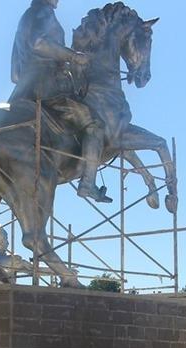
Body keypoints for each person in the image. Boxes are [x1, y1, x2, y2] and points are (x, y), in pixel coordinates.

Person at [10, 0, 111, 203]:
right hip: (46, 87)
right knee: (95, 126)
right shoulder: (43, 11)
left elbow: (14, 74)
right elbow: (39, 43)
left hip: (22, 90)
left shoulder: (25, 18)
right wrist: (73, 57)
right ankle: (88, 183)